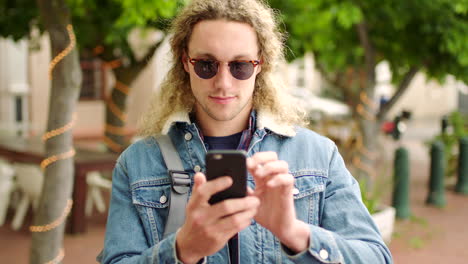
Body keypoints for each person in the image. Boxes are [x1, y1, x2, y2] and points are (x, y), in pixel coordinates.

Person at [99, 0, 393, 263]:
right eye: (206, 65)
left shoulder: (318, 155)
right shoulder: (137, 163)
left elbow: (376, 256)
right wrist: (182, 250)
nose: (223, 83)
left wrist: (294, 232)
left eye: (240, 66)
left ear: (260, 65)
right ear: (185, 63)